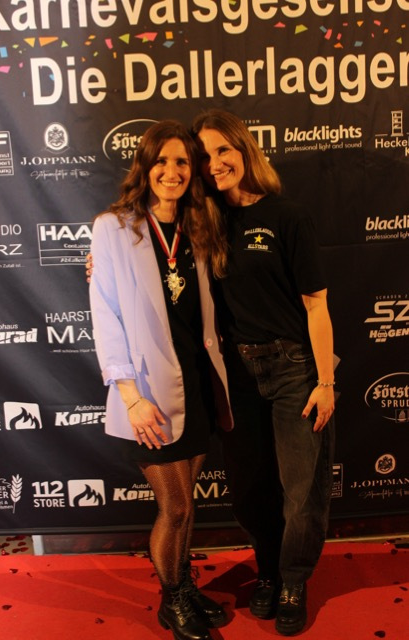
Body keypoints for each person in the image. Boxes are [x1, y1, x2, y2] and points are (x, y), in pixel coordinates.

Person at [190, 108, 336, 636]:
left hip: (295, 368)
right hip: (236, 374)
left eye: (222, 150)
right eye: (204, 156)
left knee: (302, 491)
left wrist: (326, 382)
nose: (214, 163)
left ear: (243, 149)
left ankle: (293, 580)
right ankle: (268, 570)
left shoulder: (287, 216)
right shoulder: (203, 223)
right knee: (249, 489)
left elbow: (316, 305)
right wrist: (101, 263)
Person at [88, 119, 233, 640]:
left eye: (182, 162)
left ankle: (184, 586)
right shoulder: (114, 227)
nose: (172, 172)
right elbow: (105, 315)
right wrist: (130, 397)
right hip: (148, 392)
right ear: (144, 166)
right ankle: (171, 600)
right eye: (162, 161)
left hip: (196, 384)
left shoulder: (200, 223)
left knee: (188, 506)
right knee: (176, 506)